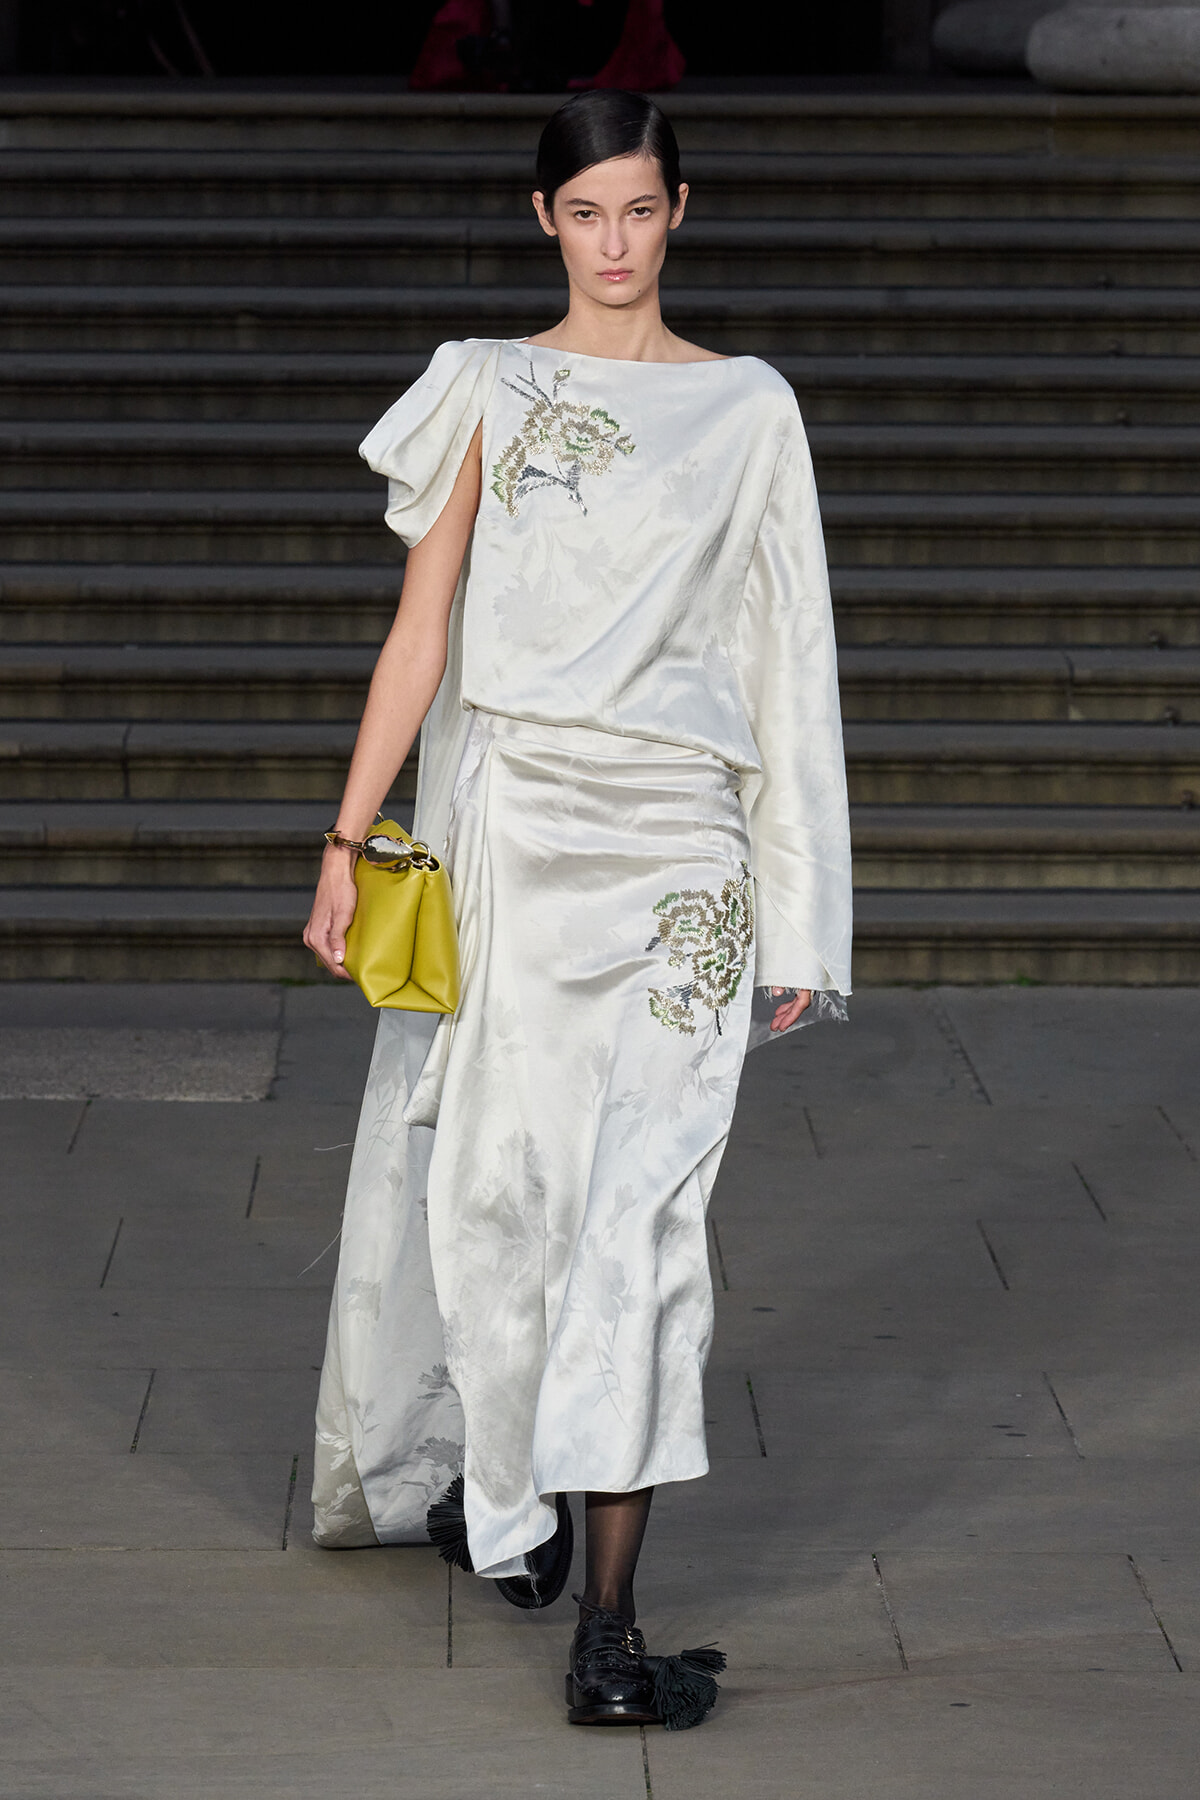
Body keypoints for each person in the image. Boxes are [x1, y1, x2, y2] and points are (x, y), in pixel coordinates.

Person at [304, 88, 852, 1730]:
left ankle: (608, 1632)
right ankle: (513, 1493)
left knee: (646, 1228)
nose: (616, 242)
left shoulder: (750, 409)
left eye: (641, 208)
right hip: (519, 853)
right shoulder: (486, 384)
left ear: (683, 209)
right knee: (507, 1201)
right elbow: (422, 632)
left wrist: (803, 919)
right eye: (587, 212)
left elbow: (789, 659)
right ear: (545, 217)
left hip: (685, 869)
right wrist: (349, 837)